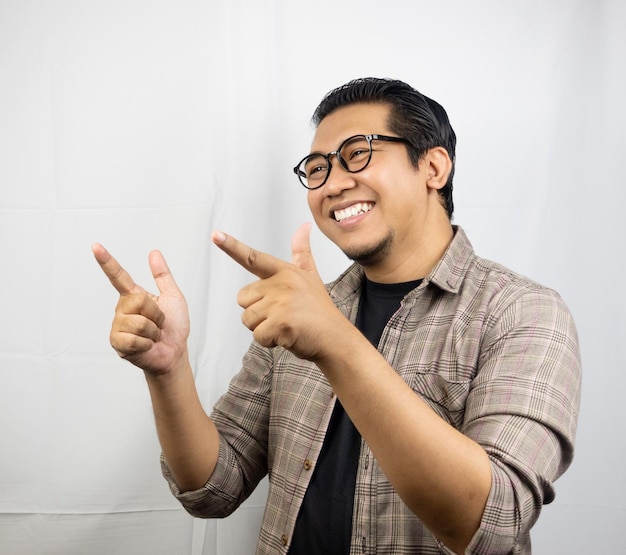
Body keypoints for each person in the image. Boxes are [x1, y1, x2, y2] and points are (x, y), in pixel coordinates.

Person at [92, 78, 581, 554]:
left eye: (359, 154)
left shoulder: (522, 312)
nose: (333, 184)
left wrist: (335, 342)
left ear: (433, 167)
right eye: (318, 167)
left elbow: (493, 526)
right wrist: (168, 370)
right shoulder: (302, 314)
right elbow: (214, 486)